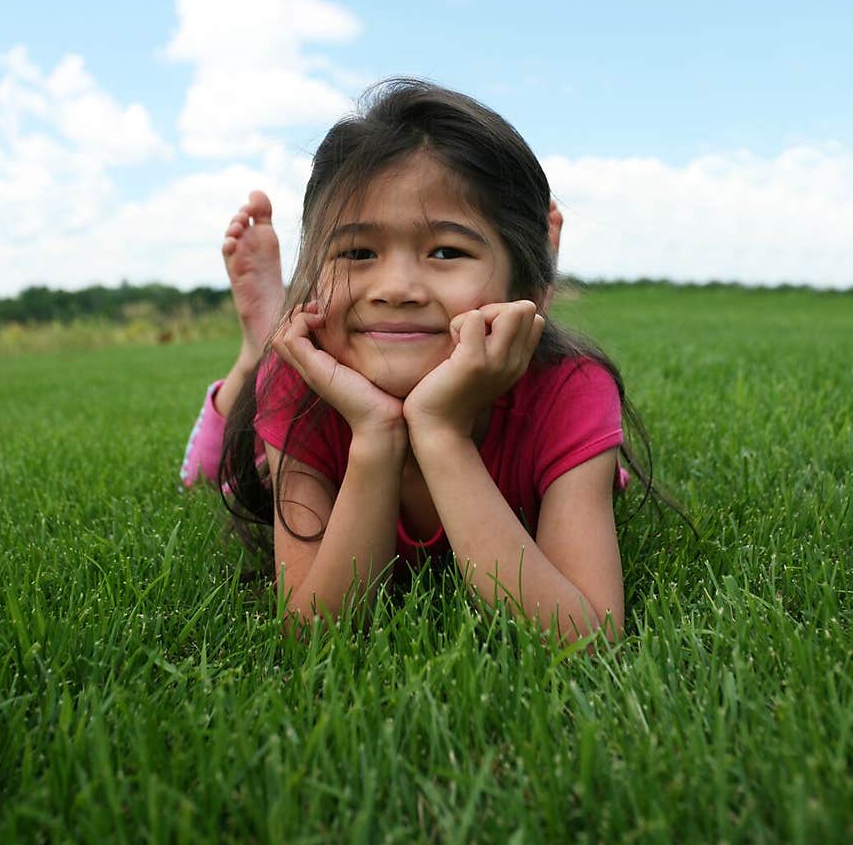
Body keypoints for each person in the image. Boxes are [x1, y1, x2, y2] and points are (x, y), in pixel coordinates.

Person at [182, 77, 654, 647]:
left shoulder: (570, 390)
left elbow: (588, 637)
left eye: (447, 252)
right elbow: (313, 633)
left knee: (594, 474)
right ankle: (258, 348)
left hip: (524, 363)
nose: (398, 287)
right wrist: (376, 435)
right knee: (223, 476)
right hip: (296, 390)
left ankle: (528, 286)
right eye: (357, 252)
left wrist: (440, 432)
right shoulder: (299, 385)